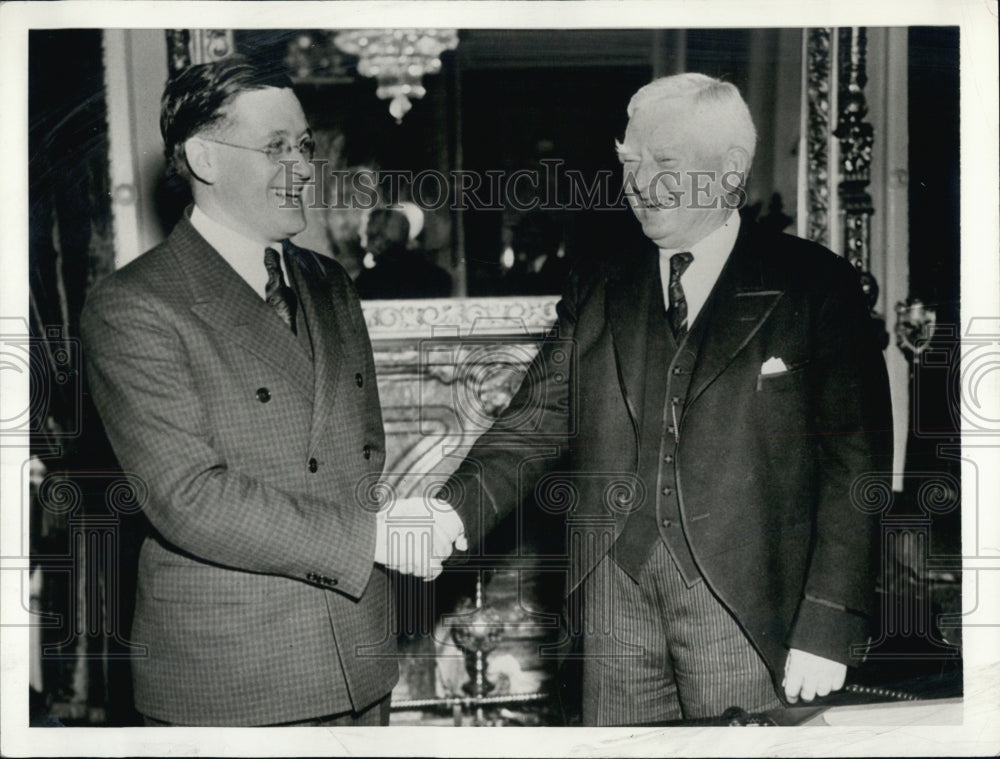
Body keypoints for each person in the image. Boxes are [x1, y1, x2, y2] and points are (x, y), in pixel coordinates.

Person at [426, 73, 893, 725]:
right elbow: (531, 425)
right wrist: (445, 516)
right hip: (613, 600)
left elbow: (855, 469)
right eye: (629, 162)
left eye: (663, 163)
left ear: (730, 170)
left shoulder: (812, 285)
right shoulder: (600, 283)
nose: (639, 183)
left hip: (747, 608)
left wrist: (829, 622)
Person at [80, 57, 464, 727]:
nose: (304, 167)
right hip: (235, 675)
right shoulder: (135, 304)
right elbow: (189, 498)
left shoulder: (327, 281)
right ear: (203, 157)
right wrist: (374, 537)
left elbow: (357, 457)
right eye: (276, 148)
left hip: (359, 652)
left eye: (305, 145)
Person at [354, 207, 451, 299]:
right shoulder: (438, 277)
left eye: (367, 236)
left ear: (379, 239)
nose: (363, 244)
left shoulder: (367, 281)